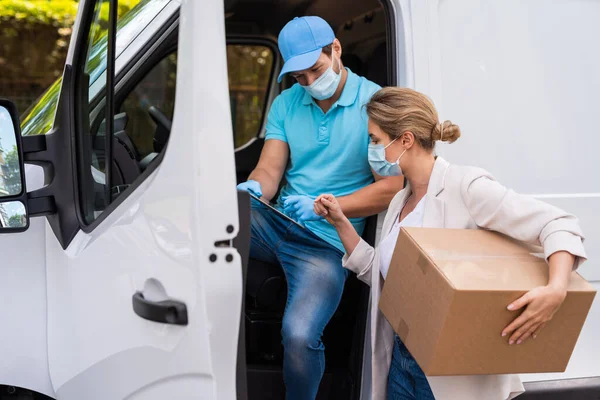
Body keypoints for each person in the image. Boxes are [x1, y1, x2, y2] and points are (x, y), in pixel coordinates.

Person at [315, 87, 587, 400]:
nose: (371, 148)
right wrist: (339, 221)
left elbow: (559, 224)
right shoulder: (400, 201)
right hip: (401, 364)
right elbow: (383, 274)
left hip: (450, 375)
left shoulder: (466, 186)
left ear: (405, 140)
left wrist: (556, 290)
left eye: (375, 140)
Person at [236, 16, 404, 400]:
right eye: (299, 77)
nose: (310, 84)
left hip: (327, 241)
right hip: (278, 221)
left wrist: (328, 207)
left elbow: (392, 188)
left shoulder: (375, 105)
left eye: (316, 70)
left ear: (336, 50)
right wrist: (253, 190)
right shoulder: (285, 103)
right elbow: (269, 170)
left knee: (298, 335)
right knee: (210, 222)